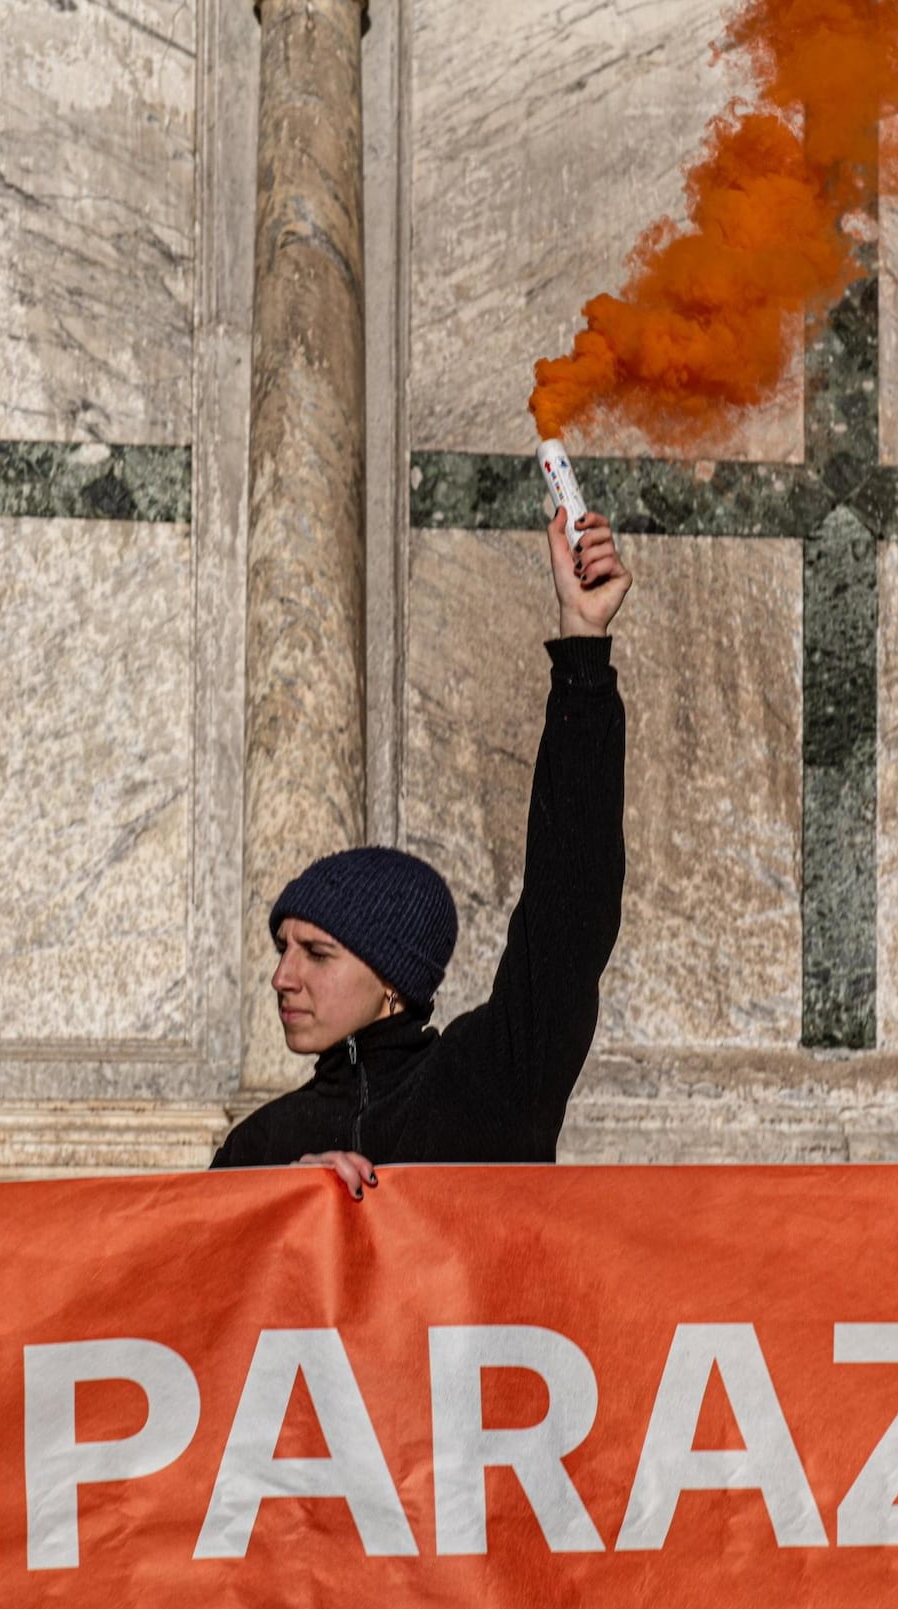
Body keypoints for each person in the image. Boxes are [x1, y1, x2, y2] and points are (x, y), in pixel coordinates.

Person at [211, 506, 630, 1194]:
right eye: (283, 948)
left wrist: (582, 649)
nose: (283, 977)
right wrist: (274, 1210)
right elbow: (186, 1291)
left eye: (316, 952)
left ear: (392, 984)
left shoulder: (488, 1084)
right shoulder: (257, 1147)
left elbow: (569, 910)